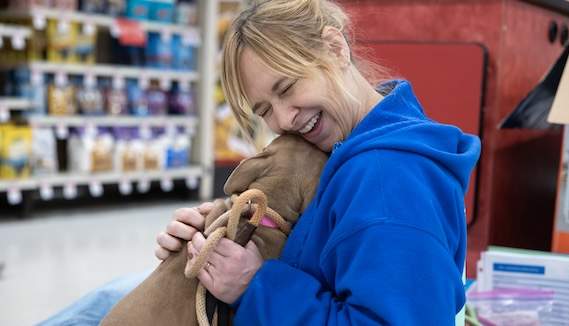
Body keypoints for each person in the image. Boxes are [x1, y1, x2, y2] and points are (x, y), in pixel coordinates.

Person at [156, 0, 481, 325]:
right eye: (265, 111)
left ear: (336, 48)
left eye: (287, 87)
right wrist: (215, 232)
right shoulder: (350, 146)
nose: (283, 119)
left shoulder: (387, 181)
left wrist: (253, 286)